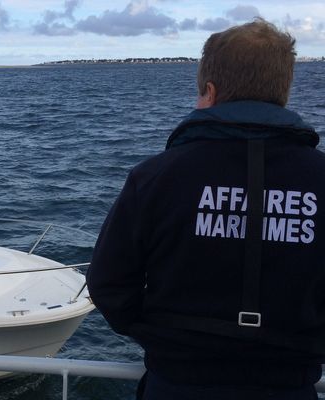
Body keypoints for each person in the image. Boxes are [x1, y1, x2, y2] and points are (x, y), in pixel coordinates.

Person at [86, 18, 325, 399]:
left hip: (176, 384)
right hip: (289, 385)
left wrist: (162, 336)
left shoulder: (155, 177)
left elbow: (108, 283)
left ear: (209, 91)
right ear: (283, 92)